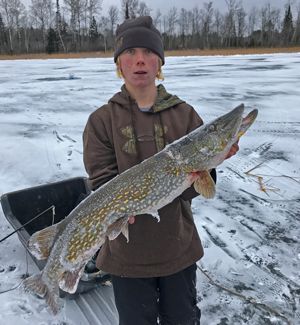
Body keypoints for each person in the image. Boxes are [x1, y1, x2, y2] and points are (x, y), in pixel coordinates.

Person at [83, 16, 239, 325]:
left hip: (176, 249)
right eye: (130, 52)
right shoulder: (101, 121)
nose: (139, 60)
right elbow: (102, 184)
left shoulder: (185, 115)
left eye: (148, 52)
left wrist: (213, 162)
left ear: (159, 62)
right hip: (126, 256)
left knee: (182, 319)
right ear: (119, 62)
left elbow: (196, 189)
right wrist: (119, 209)